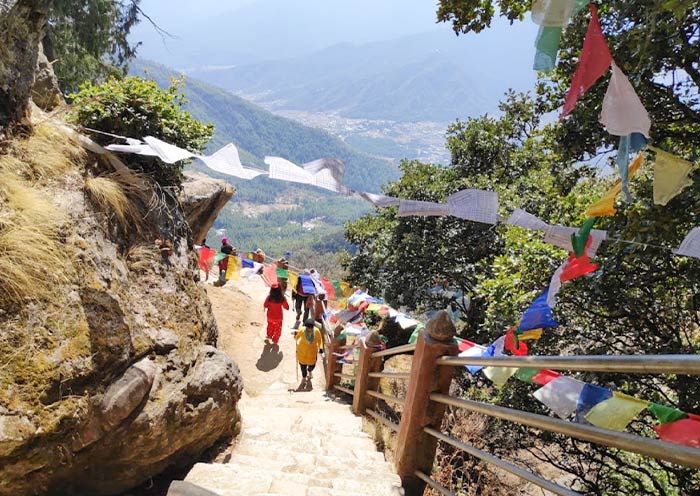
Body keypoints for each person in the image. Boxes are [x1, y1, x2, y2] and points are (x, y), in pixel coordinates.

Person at [293, 318, 323, 384]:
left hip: (312, 354)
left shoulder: (317, 331)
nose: (309, 329)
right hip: (302, 353)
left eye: (311, 328)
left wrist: (321, 348)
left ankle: (310, 371)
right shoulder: (302, 330)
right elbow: (296, 338)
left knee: (312, 366)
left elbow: (319, 340)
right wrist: (295, 335)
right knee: (303, 368)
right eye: (308, 328)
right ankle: (304, 377)